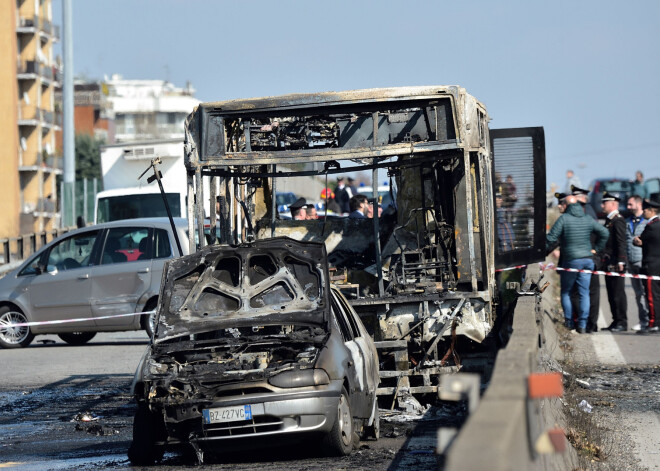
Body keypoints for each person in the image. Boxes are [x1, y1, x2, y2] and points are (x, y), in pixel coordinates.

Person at [546, 195, 609, 333]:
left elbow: (551, 237)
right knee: (584, 293)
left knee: (566, 292)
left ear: (566, 205)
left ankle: (569, 322)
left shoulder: (564, 219)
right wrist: (596, 249)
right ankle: (582, 325)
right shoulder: (587, 218)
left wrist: (540, 250)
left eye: (561, 203)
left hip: (571, 260)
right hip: (588, 260)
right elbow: (604, 232)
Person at [569, 185, 601, 332]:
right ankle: (589, 324)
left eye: (575, 196)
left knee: (586, 292)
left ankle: (588, 323)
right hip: (589, 256)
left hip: (586, 257)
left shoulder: (586, 212)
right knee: (588, 292)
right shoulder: (587, 211)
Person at [600, 192, 629, 332]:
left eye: (604, 203)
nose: (601, 206)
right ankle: (615, 320)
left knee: (618, 293)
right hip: (609, 262)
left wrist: (621, 261)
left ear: (612, 204)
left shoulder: (618, 220)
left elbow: (621, 242)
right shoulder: (610, 220)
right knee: (611, 293)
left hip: (616, 263)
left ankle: (622, 322)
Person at [632, 199, 660, 333]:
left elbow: (639, 240)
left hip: (651, 266)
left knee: (651, 296)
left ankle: (653, 323)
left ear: (652, 211)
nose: (643, 212)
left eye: (645, 210)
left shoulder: (651, 226)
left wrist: (637, 240)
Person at [625, 195, 650, 331]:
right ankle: (643, 320)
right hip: (631, 261)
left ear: (638, 204)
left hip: (643, 261)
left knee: (647, 293)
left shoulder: (647, 222)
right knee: (638, 293)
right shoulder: (628, 221)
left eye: (630, 204)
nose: (628, 207)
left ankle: (650, 320)